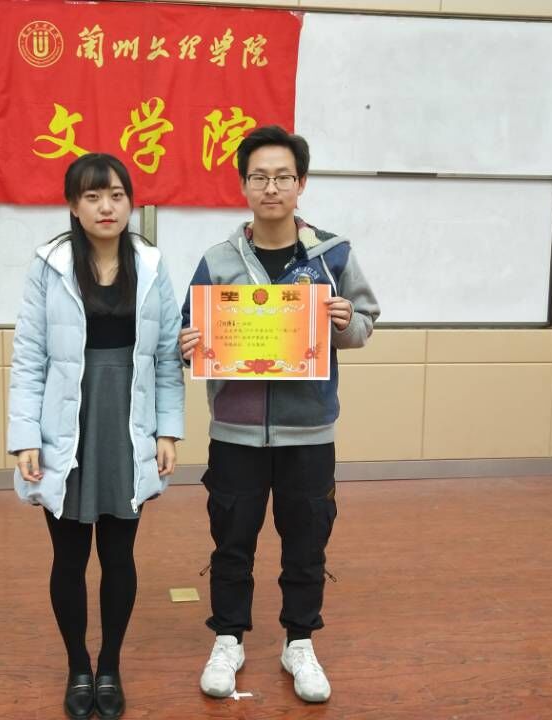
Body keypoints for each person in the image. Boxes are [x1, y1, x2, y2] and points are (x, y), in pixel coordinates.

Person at [179, 126, 380, 704]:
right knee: (231, 541)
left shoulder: (332, 255)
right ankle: (228, 639)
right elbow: (185, 333)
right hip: (235, 432)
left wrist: (346, 322)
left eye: (282, 177)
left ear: (301, 184)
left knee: (307, 541)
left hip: (309, 431)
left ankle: (299, 642)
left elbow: (365, 323)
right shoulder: (218, 261)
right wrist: (188, 343)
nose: (271, 187)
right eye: (259, 177)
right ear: (243, 185)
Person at [7, 153, 184, 720]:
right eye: (92, 196)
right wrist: (25, 436)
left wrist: (168, 430)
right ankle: (77, 668)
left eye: (116, 195)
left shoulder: (151, 264)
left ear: (130, 201)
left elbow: (166, 358)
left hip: (127, 423)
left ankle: (109, 666)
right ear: (73, 206)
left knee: (119, 554)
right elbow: (29, 356)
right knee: (68, 556)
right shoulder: (50, 265)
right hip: (65, 424)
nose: (106, 207)